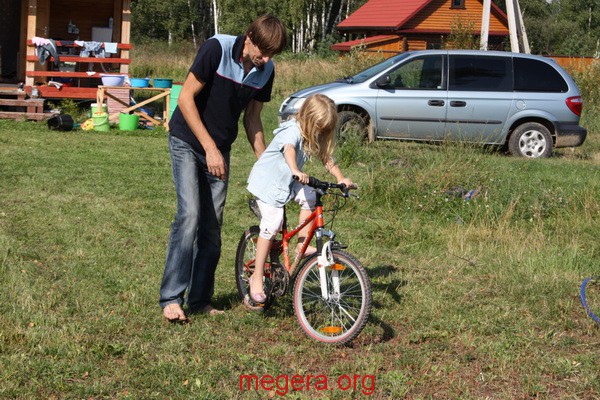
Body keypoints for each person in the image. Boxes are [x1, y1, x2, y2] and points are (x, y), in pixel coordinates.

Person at [160, 15, 287, 323]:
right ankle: (172, 298)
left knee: (212, 227)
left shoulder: (265, 70)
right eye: (263, 51)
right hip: (188, 140)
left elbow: (253, 119)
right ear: (250, 38)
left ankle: (200, 298)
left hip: (219, 150)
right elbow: (186, 99)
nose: (266, 59)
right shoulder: (215, 49)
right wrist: (210, 148)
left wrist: (267, 163)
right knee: (189, 216)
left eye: (272, 54)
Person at [246, 94, 355, 304]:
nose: (320, 132)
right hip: (268, 184)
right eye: (319, 127)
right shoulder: (293, 130)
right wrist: (295, 169)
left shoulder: (312, 133)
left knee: (311, 194)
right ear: (308, 117)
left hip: (286, 181)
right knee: (273, 223)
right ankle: (257, 276)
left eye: (324, 129)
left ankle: (301, 245)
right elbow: (289, 149)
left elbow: (325, 157)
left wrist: (341, 178)